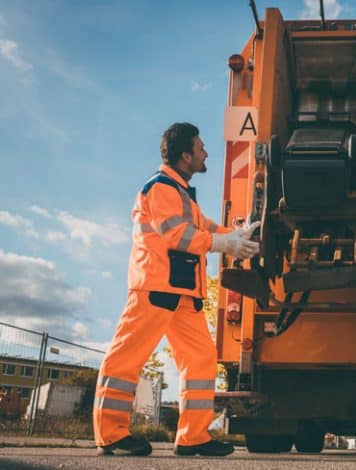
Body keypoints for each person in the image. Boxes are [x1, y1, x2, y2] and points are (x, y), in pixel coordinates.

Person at [93, 122, 260, 456]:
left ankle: (193, 437)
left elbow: (204, 227)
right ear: (186, 156)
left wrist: (237, 234)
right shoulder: (160, 188)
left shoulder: (180, 193)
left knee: (201, 359)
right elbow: (177, 236)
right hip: (154, 289)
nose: (206, 153)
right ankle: (111, 435)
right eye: (200, 148)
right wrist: (223, 243)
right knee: (126, 359)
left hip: (181, 294)